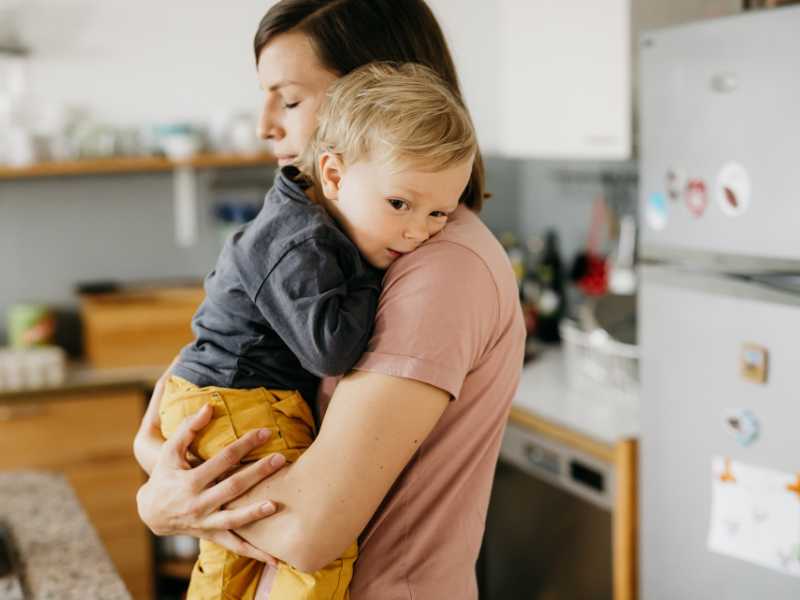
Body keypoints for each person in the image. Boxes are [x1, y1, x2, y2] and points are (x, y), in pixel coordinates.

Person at [134, 1, 526, 598]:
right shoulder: (327, 236)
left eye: (289, 99)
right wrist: (157, 497)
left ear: (374, 98)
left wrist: (170, 503)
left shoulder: (436, 264)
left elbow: (309, 530)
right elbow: (168, 409)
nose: (266, 124)